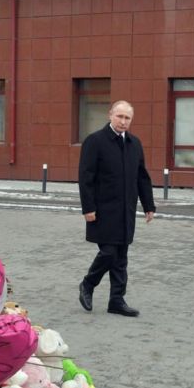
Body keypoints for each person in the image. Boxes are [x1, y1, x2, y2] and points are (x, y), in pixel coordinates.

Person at [78, 100, 155, 318]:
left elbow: (142, 177)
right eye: (119, 116)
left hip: (126, 211)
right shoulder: (95, 141)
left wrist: (148, 205)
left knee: (121, 256)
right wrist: (88, 208)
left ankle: (116, 300)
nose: (123, 121)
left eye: (127, 118)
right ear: (110, 115)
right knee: (109, 252)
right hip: (102, 211)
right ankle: (88, 283)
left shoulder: (134, 144)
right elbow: (86, 178)